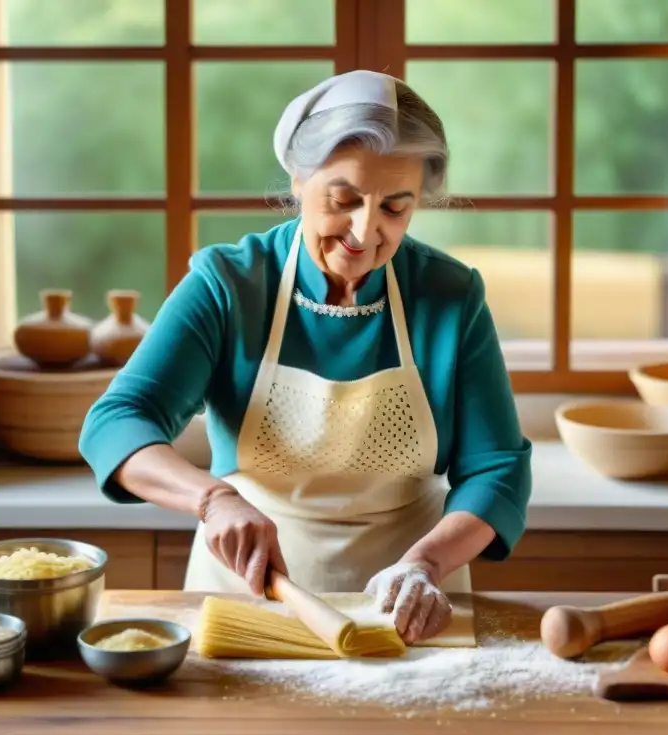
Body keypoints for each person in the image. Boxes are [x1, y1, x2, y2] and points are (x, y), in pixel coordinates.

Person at [79, 69, 532, 645]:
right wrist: (213, 499)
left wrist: (428, 565)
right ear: (297, 178)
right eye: (343, 200)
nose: (365, 233)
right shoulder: (229, 284)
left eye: (396, 208)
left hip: (408, 612)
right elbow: (116, 421)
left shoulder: (450, 295)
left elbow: (498, 470)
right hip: (249, 597)